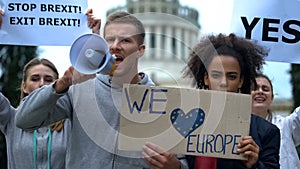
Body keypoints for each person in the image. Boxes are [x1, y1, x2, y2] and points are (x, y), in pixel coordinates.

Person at [15, 11, 188, 169]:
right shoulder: (78, 91)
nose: (115, 46)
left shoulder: (164, 101)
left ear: (140, 50)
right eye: (110, 40)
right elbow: (23, 120)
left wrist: (176, 167)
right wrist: (61, 84)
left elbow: (182, 160)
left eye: (125, 40)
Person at [182, 33, 280, 168]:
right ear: (206, 78)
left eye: (232, 76)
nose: (223, 83)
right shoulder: (185, 124)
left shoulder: (266, 131)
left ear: (241, 81)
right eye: (216, 75)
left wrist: (254, 164)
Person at [0, 58, 71, 169]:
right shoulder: (11, 118)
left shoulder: (70, 121)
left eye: (48, 80)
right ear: (24, 86)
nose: (42, 84)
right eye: (35, 79)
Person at [251, 72, 300, 168]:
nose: (260, 91)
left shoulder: (287, 125)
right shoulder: (236, 126)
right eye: (254, 88)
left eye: (265, 89)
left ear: (272, 97)